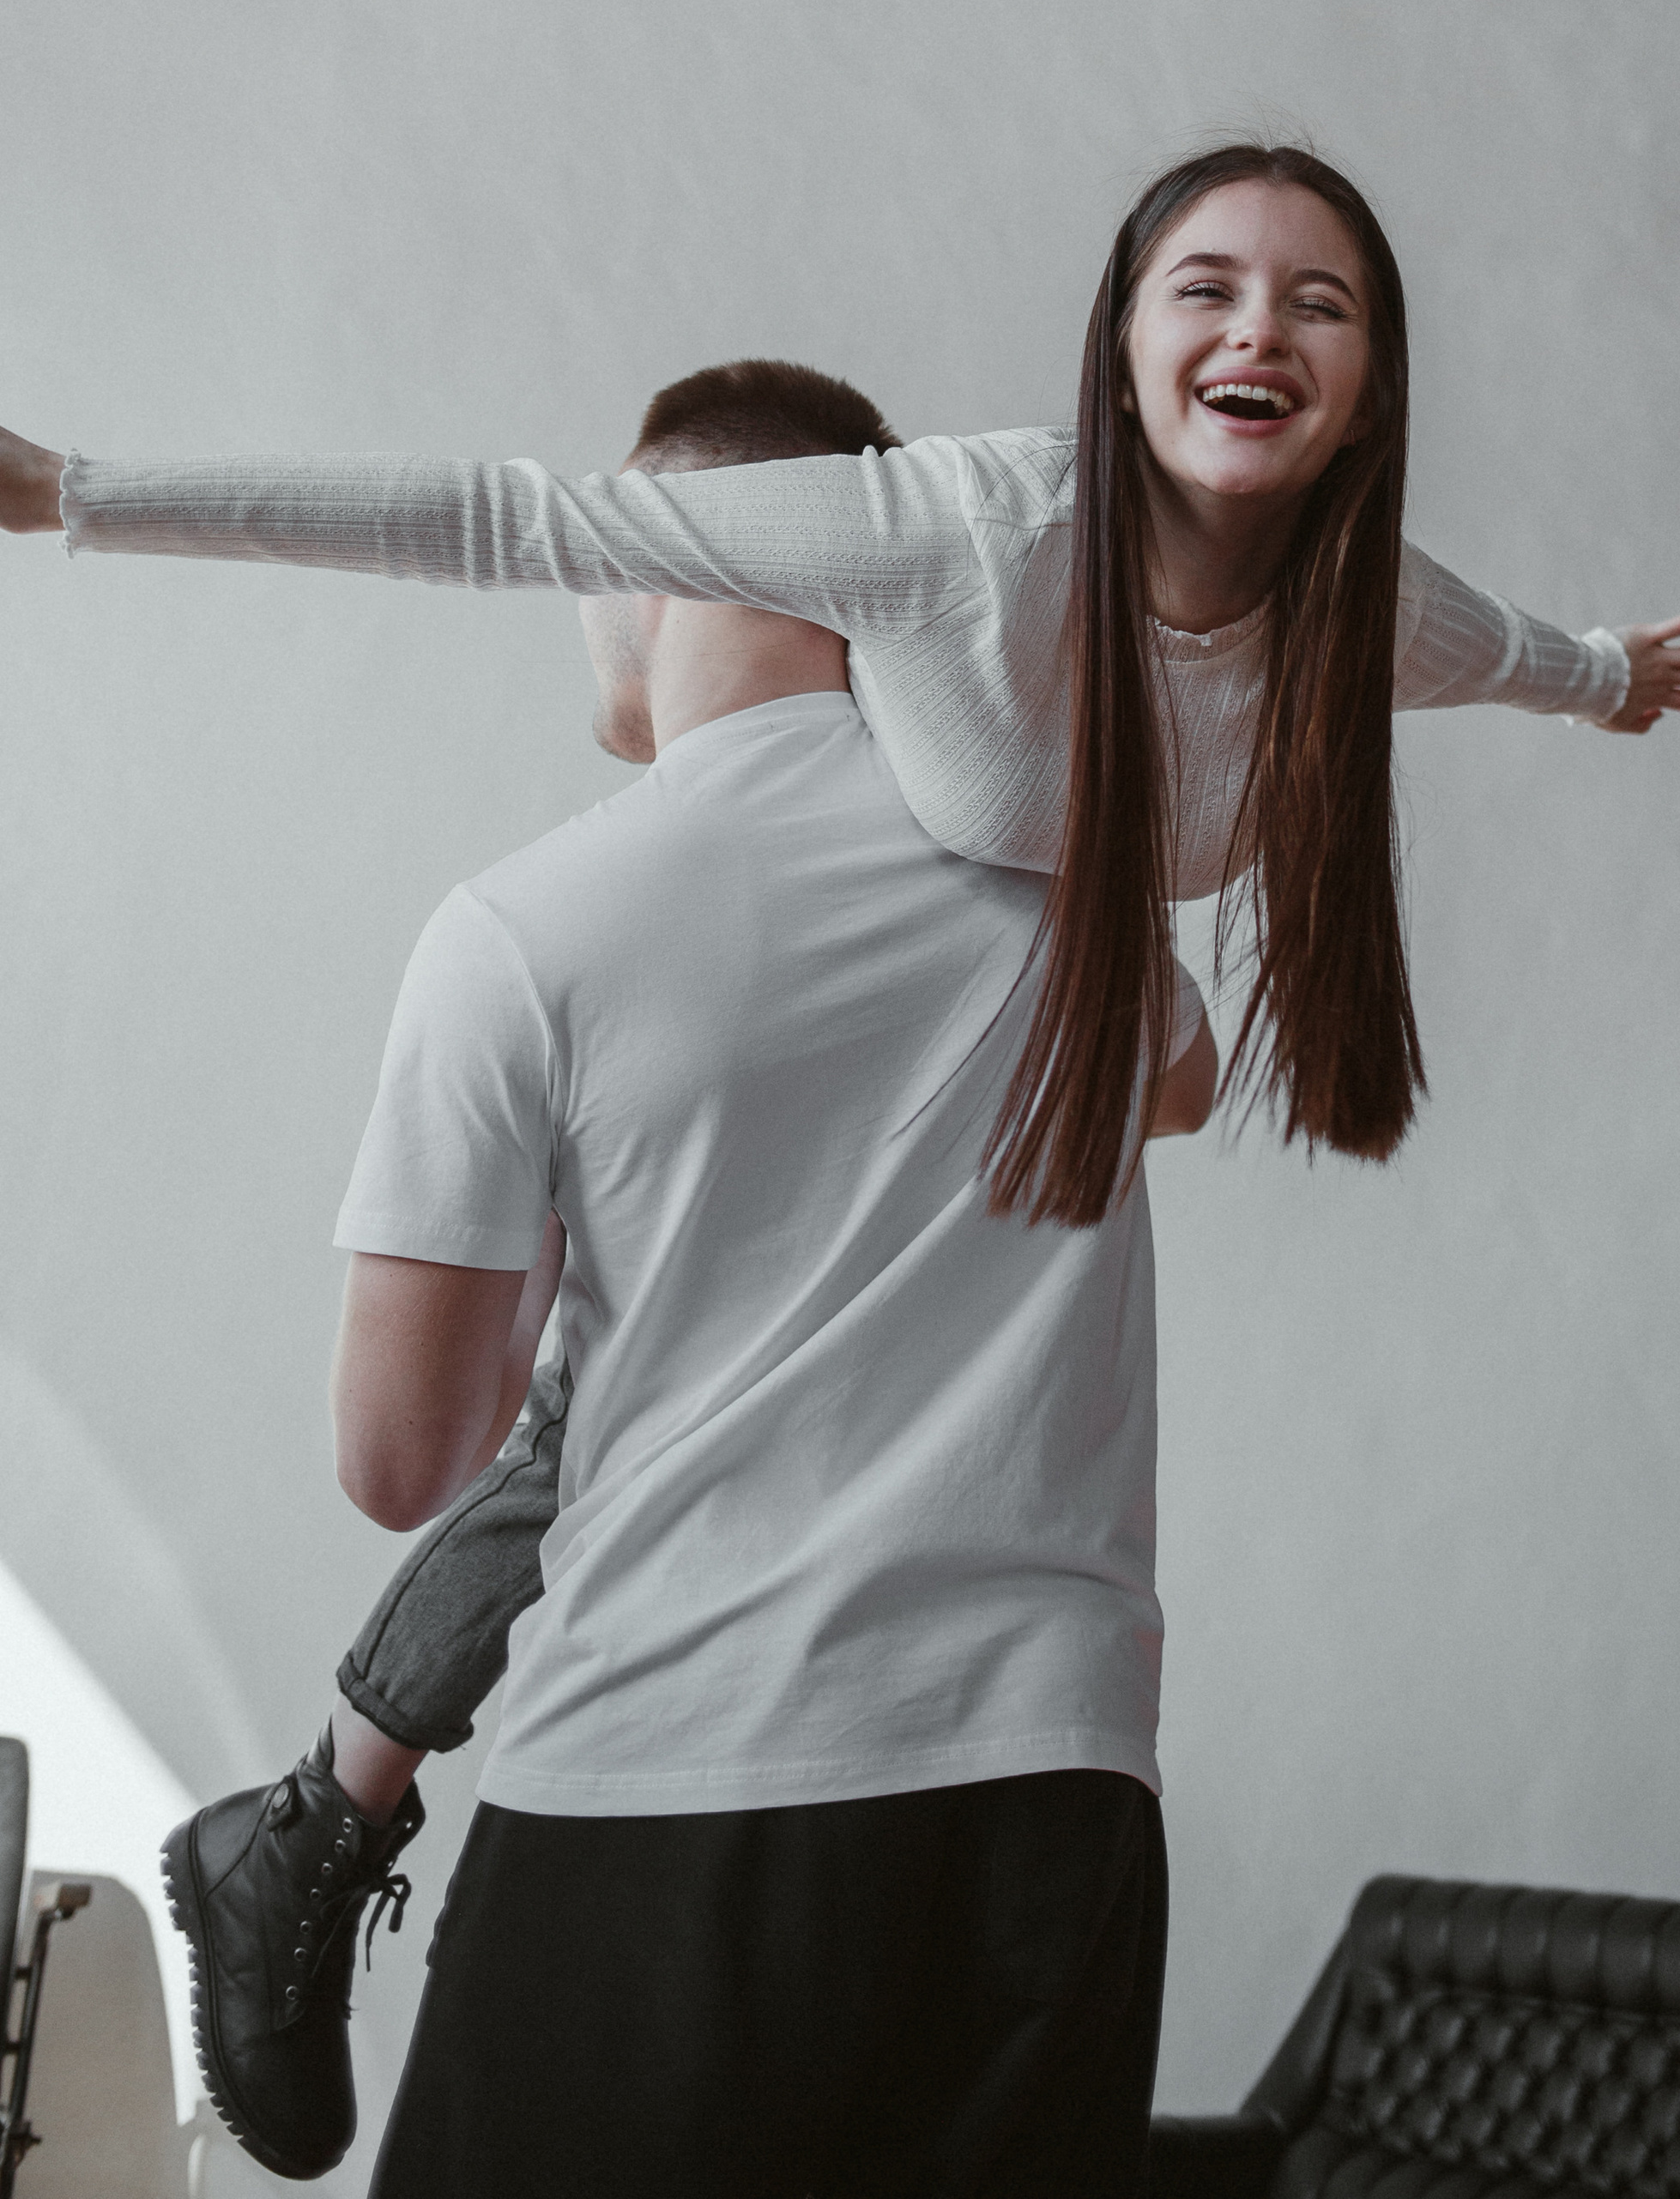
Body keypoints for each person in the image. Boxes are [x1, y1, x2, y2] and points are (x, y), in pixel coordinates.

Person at [166, 358, 1216, 2195]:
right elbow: (1183, 1084)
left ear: (658, 555)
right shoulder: (1077, 902)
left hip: (676, 1784)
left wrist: (602, 1273)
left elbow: (400, 1462)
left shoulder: (530, 929)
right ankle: (303, 1829)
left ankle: (307, 1828)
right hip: (1059, 1798)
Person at [0, 141, 1680, 1236]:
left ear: (1366, 398)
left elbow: (1529, 658)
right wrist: (73, 492)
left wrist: (1612, 678)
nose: (1258, 331)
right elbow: (511, 519)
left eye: (1320, 307)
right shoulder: (957, 528)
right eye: (1205, 290)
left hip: (1039, 1034)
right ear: (1122, 357)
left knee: (1179, 1084)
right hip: (828, 935)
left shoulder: (1373, 616)